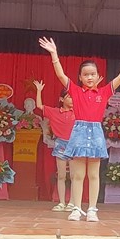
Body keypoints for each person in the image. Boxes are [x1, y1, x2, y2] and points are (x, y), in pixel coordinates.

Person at [39, 37, 120, 222]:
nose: (89, 77)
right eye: (85, 74)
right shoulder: (75, 91)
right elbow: (61, 75)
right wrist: (54, 54)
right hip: (79, 134)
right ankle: (76, 208)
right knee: (78, 175)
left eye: (92, 74)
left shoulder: (104, 92)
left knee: (94, 175)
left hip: (95, 134)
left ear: (98, 76)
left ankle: (92, 210)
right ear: (80, 77)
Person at [34, 80, 76, 212]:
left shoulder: (78, 112)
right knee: (61, 175)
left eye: (73, 97)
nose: (72, 99)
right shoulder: (54, 112)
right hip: (60, 144)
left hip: (74, 144)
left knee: (74, 176)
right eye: (69, 97)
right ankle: (61, 202)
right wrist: (39, 90)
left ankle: (72, 203)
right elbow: (39, 106)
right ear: (61, 99)